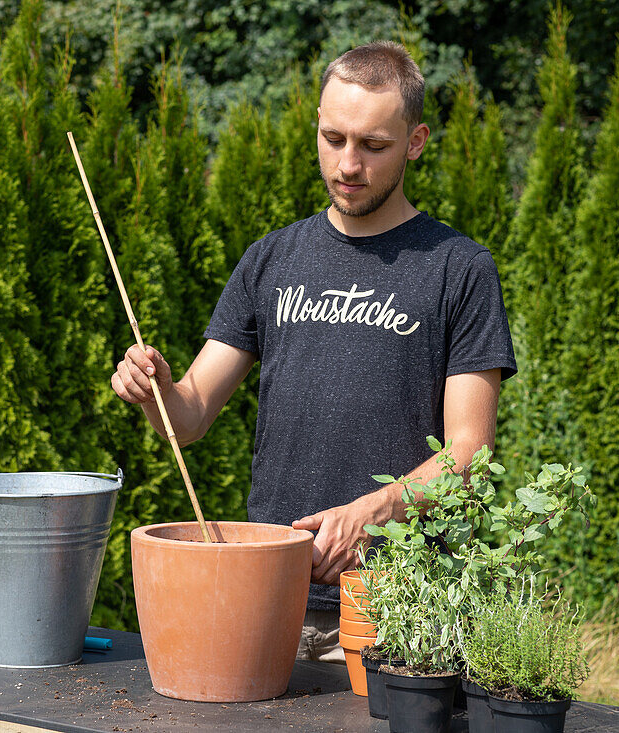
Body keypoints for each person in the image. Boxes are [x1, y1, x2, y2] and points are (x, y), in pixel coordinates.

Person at [110, 41, 516, 663]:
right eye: (333, 139)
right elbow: (188, 417)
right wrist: (154, 388)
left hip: (395, 605)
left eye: (373, 146)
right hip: (269, 596)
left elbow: (470, 452)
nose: (348, 164)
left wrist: (372, 515)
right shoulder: (273, 258)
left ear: (416, 141)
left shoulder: (458, 269)